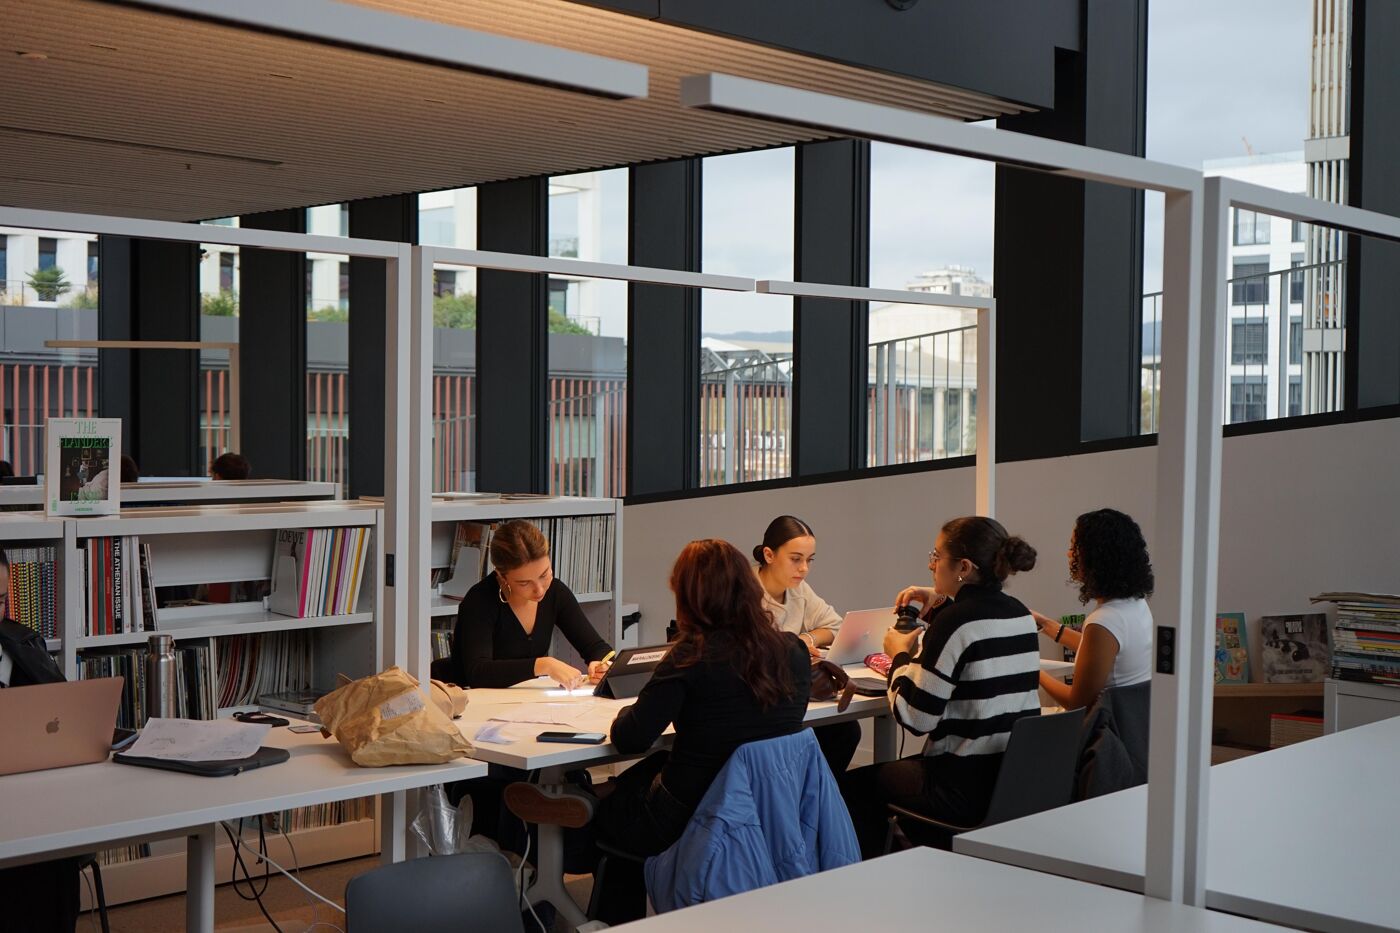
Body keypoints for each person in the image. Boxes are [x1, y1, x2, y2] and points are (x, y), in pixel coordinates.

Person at [507, 539, 812, 923]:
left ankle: (578, 849)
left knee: (609, 810)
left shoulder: (691, 656)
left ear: (689, 597)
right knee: (632, 785)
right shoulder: (793, 652)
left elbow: (630, 737)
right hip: (768, 810)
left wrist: (639, 705)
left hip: (691, 813)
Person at [839, 516, 1041, 858]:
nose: (931, 564)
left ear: (963, 566)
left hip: (959, 787)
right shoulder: (1019, 614)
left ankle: (867, 879)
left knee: (849, 788)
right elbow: (972, 641)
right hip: (1010, 781)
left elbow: (915, 717)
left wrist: (900, 655)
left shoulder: (956, 622)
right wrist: (942, 599)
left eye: (936, 555)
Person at [753, 515, 861, 776]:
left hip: (794, 692)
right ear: (769, 555)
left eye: (809, 560)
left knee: (846, 730)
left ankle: (814, 802)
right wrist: (792, 647)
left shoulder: (799, 589)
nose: (804, 569)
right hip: (761, 698)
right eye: (796, 559)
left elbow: (835, 626)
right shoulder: (745, 592)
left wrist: (804, 641)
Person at [448, 519, 612, 689]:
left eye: (544, 574)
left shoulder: (555, 592)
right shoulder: (479, 601)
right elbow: (477, 673)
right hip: (470, 703)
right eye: (524, 583)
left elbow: (597, 647)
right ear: (501, 576)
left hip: (528, 702)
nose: (540, 590)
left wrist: (601, 664)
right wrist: (543, 665)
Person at [1032, 508, 1154, 711]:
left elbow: (1076, 703)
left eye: (1074, 547)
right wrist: (1046, 625)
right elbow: (1102, 652)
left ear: (1095, 558)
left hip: (1107, 734)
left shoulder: (1104, 621)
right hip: (1132, 728)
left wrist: (1033, 668)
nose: (1069, 554)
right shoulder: (1136, 604)